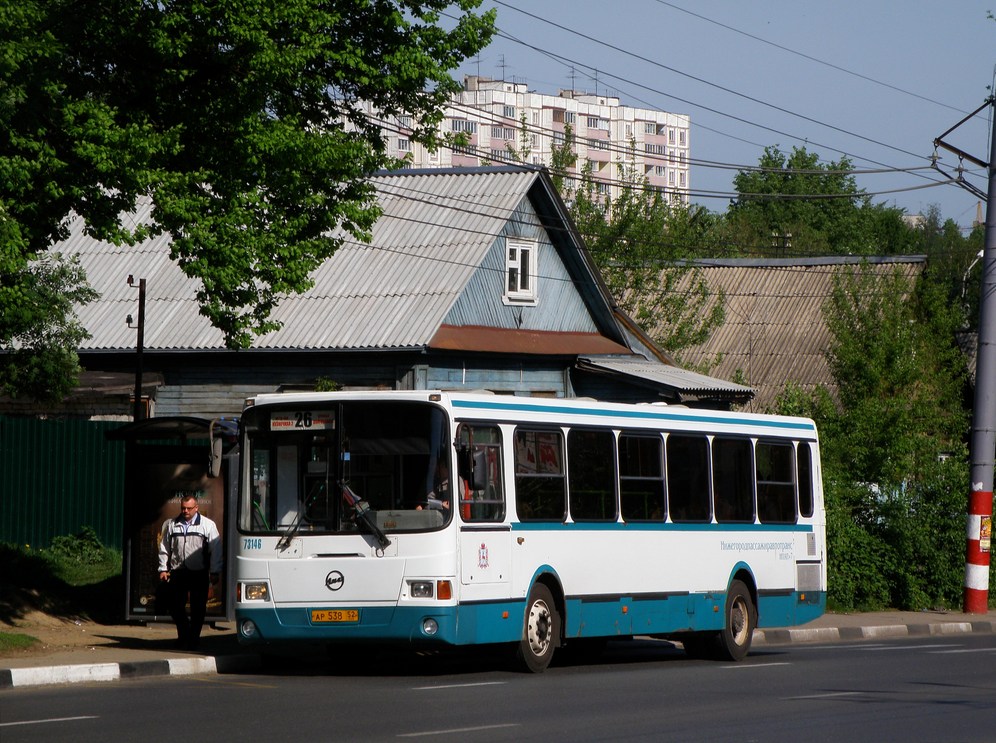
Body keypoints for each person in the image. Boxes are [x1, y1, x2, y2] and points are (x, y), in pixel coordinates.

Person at [157, 495, 222, 650]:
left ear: (196, 508)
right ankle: (184, 634)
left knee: (198, 608)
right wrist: (163, 568)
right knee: (175, 607)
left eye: (189, 508)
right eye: (183, 508)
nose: (185, 511)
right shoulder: (173, 525)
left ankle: (193, 639)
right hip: (178, 572)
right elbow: (165, 547)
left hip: (199, 572)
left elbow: (216, 549)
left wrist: (214, 571)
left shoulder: (207, 525)